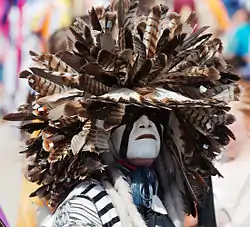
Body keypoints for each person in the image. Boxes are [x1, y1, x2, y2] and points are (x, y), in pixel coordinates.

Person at [4, 1, 241, 226]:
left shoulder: (170, 194)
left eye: (155, 113)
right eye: (128, 113)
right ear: (101, 128)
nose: (145, 123)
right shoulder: (84, 204)